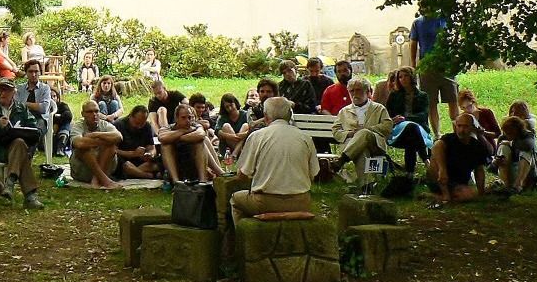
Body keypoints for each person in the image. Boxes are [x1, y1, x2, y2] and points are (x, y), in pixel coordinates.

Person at [231, 96, 320, 226]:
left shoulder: (257, 136)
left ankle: (241, 240)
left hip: (265, 203)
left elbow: (242, 175)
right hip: (301, 202)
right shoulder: (305, 138)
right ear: (290, 115)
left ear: (266, 117)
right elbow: (314, 173)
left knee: (235, 200)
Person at [0, 78, 45, 209]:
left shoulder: (21, 107)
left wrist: (24, 131)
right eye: (0, 90)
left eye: (6, 90)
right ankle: (29, 196)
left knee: (19, 142)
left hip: (13, 150)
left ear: (14, 92)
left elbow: (33, 128)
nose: (2, 93)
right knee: (21, 150)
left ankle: (10, 182)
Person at [329, 77, 393, 184]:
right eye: (351, 91)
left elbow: (387, 127)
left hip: (375, 143)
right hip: (352, 145)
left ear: (367, 91)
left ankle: (342, 160)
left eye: (358, 90)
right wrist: (350, 134)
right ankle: (366, 186)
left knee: (364, 133)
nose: (354, 94)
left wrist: (367, 129)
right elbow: (336, 131)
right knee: (362, 150)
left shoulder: (378, 108)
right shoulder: (344, 111)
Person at [411, 7, 457, 136]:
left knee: (452, 99)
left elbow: (454, 40)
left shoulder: (445, 19)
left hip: (446, 66)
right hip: (427, 67)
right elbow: (413, 43)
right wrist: (414, 65)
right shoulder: (417, 23)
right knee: (431, 102)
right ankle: (437, 135)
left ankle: (457, 131)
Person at [428, 112, 488, 205]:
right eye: (459, 126)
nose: (461, 130)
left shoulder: (477, 146)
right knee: (436, 158)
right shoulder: (449, 139)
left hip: (458, 182)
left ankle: (442, 197)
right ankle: (445, 195)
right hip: (440, 179)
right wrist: (442, 169)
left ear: (472, 128)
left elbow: (479, 170)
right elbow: (437, 146)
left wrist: (481, 192)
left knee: (468, 194)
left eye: (465, 126)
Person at [385, 66, 432, 174]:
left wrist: (406, 118)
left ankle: (409, 173)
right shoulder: (394, 95)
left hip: (419, 128)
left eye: (406, 76)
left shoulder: (422, 96)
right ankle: (426, 160)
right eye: (400, 77)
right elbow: (387, 114)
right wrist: (394, 119)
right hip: (398, 129)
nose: (403, 79)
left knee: (412, 133)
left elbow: (423, 115)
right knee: (411, 127)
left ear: (412, 77)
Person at [70, 99, 123, 188]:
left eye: (96, 111)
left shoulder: (104, 125)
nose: (94, 114)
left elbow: (118, 137)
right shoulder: (78, 126)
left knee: (111, 146)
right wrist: (104, 141)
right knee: (82, 150)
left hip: (105, 168)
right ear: (83, 114)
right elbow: (79, 143)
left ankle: (97, 179)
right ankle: (105, 181)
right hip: (83, 171)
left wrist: (95, 135)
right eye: (90, 112)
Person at [160, 103, 213, 183]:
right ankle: (176, 182)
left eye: (189, 117)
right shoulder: (168, 128)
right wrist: (182, 131)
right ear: (176, 118)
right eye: (183, 118)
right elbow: (162, 138)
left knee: (200, 142)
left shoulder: (195, 126)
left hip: (192, 163)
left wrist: (175, 137)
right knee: (166, 146)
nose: (187, 120)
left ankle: (203, 181)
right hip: (176, 164)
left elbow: (200, 135)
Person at [495, 115, 537, 193]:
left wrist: (511, 143)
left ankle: (518, 185)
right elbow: (495, 160)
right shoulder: (503, 138)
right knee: (503, 147)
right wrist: (497, 161)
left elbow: (528, 146)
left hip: (526, 172)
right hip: (510, 170)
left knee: (526, 152)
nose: (508, 135)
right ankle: (506, 185)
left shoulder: (528, 135)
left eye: (510, 132)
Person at [115, 105, 161, 179]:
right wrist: (132, 154)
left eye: (142, 124)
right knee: (126, 165)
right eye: (136, 123)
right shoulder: (119, 125)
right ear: (130, 116)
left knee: (156, 164)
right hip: (124, 160)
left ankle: (133, 173)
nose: (139, 126)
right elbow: (113, 150)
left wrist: (150, 154)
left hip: (140, 161)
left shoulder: (147, 126)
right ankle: (148, 175)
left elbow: (152, 147)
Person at [457, 88, 501, 155]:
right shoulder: (462, 118)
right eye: (463, 108)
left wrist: (483, 133)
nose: (467, 110)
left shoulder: (486, 113)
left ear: (473, 102)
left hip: (488, 147)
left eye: (469, 106)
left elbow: (498, 134)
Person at [17, 59, 52, 138]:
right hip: (22, 118)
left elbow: (44, 108)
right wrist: (36, 106)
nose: (33, 74)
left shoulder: (45, 88)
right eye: (30, 71)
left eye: (36, 71)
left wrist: (25, 104)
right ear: (26, 73)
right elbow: (16, 106)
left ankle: (30, 150)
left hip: (40, 118)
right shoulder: (19, 89)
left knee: (35, 132)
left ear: (40, 72)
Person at [51, 87, 73, 157]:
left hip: (61, 131)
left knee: (67, 123)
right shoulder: (44, 107)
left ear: (57, 98)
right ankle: (59, 147)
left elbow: (69, 116)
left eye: (54, 96)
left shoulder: (62, 105)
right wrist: (58, 118)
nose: (52, 98)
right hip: (50, 135)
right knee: (65, 122)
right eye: (50, 96)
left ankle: (61, 147)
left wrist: (56, 120)